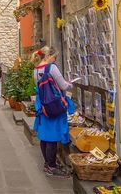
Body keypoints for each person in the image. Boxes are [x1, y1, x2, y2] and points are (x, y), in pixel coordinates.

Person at [32, 46, 74, 178]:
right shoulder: (51, 68)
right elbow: (63, 85)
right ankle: (51, 166)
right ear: (48, 56)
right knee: (52, 137)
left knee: (44, 135)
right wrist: (70, 84)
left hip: (42, 104)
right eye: (54, 57)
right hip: (53, 104)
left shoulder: (36, 69)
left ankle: (47, 163)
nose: (55, 59)